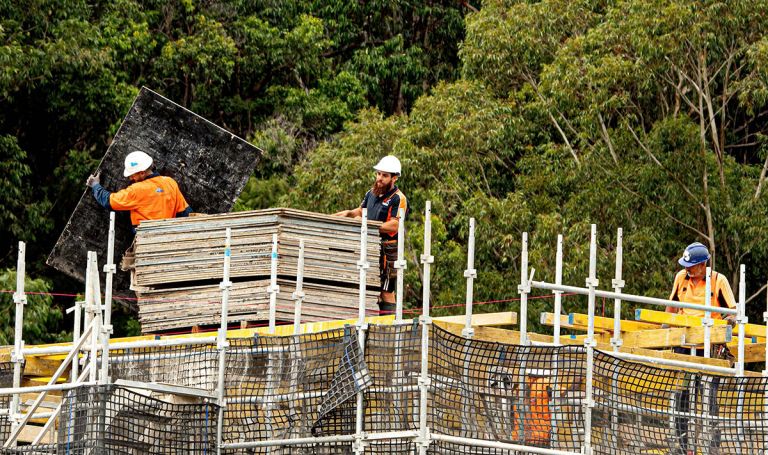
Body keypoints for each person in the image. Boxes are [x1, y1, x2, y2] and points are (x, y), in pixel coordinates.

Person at [666, 242, 736, 454]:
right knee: (682, 395)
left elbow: (733, 312)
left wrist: (726, 324)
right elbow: (671, 308)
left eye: (692, 265)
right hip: (684, 345)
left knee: (708, 396)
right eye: (686, 265)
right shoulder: (681, 278)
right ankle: (682, 445)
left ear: (704, 264)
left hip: (709, 346)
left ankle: (711, 447)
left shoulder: (718, 280)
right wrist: (663, 331)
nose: (688, 268)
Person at [334, 155, 408, 314]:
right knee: (371, 287)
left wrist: (368, 225)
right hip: (370, 245)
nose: (380, 178)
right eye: (379, 174)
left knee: (387, 291)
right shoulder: (371, 193)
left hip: (389, 249)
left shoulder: (398, 198)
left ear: (394, 178)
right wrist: (345, 214)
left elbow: (395, 224)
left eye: (385, 175)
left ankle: (389, 329)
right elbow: (360, 211)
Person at [86, 150, 192, 228]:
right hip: (168, 237)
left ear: (142, 172)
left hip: (146, 241)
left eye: (132, 175)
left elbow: (108, 201)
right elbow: (186, 213)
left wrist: (95, 185)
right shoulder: (170, 182)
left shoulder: (136, 190)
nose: (130, 178)